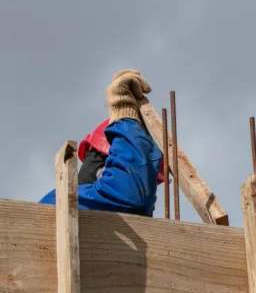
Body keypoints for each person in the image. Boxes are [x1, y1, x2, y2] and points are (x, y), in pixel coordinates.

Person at [40, 70, 164, 216]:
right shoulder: (61, 201)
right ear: (103, 169)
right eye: (148, 181)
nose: (149, 191)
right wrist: (124, 111)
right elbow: (130, 193)